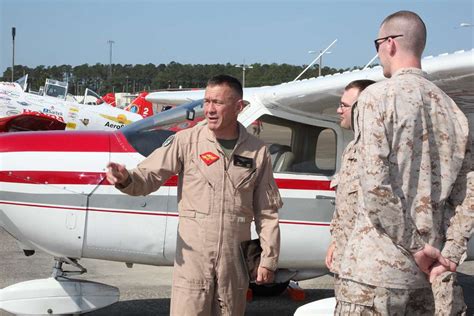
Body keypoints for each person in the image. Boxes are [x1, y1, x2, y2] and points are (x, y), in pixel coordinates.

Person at [106, 74, 282, 316]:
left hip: (233, 266)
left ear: (238, 107)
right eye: (207, 101)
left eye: (218, 103)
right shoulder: (186, 141)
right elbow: (148, 177)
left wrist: (268, 260)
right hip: (193, 264)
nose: (209, 109)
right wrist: (126, 179)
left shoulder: (258, 152)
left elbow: (267, 212)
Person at [336, 11, 471, 315]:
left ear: (390, 44)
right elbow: (468, 195)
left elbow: (376, 185)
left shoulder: (375, 98)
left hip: (373, 276)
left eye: (377, 44)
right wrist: (448, 254)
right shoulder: (453, 113)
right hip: (426, 279)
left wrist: (414, 246)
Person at [324, 80, 375, 295]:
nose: (338, 110)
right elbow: (344, 204)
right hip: (345, 260)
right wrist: (336, 241)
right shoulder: (351, 149)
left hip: (368, 266)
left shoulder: (379, 150)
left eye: (344, 105)